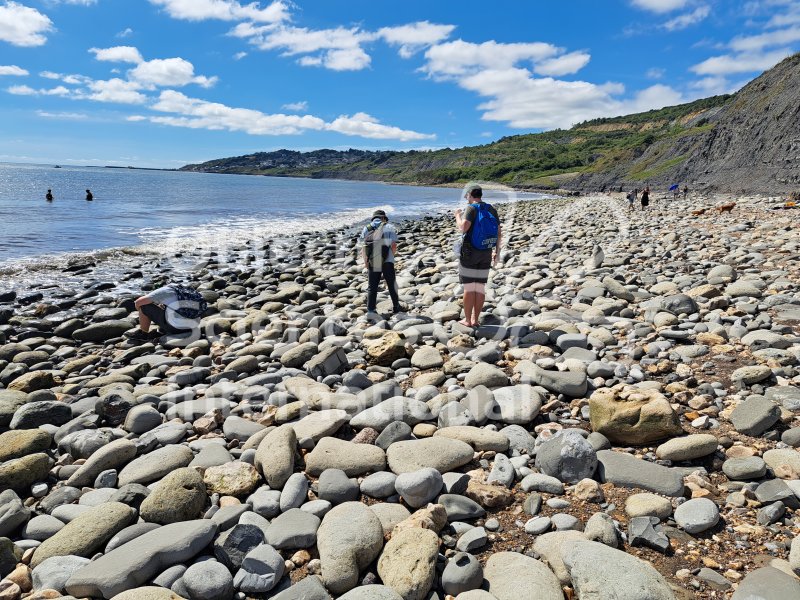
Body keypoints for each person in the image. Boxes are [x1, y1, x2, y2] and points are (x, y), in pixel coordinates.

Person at [454, 185, 501, 327]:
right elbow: (499, 232)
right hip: (486, 251)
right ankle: (476, 319)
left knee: (469, 287)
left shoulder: (471, 208)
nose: (466, 199)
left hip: (470, 252)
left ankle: (468, 320)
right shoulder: (491, 208)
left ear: (470, 195)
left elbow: (463, 228)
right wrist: (497, 252)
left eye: (466, 196)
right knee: (480, 287)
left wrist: (457, 215)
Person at [129, 283, 206, 341]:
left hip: (177, 328)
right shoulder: (183, 290)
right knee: (169, 309)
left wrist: (142, 313)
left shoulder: (162, 292)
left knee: (144, 306)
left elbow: (138, 303)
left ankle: (143, 334)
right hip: (193, 326)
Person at [360, 209, 401, 315]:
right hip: (387, 260)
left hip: (373, 261)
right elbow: (393, 245)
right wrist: (391, 256)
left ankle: (371, 310)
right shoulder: (389, 227)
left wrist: (366, 262)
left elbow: (364, 248)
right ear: (383, 218)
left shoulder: (366, 228)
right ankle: (396, 306)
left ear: (373, 218)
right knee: (391, 284)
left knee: (372, 286)